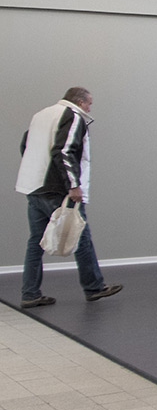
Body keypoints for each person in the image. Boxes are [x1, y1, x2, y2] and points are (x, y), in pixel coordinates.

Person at [15, 87, 123, 308]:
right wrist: (73, 185)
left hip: (33, 186)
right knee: (80, 235)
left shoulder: (41, 115)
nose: (90, 108)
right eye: (89, 103)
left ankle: (30, 293)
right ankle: (94, 287)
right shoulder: (73, 116)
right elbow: (64, 151)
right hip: (58, 189)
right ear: (80, 102)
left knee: (35, 242)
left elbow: (25, 145)